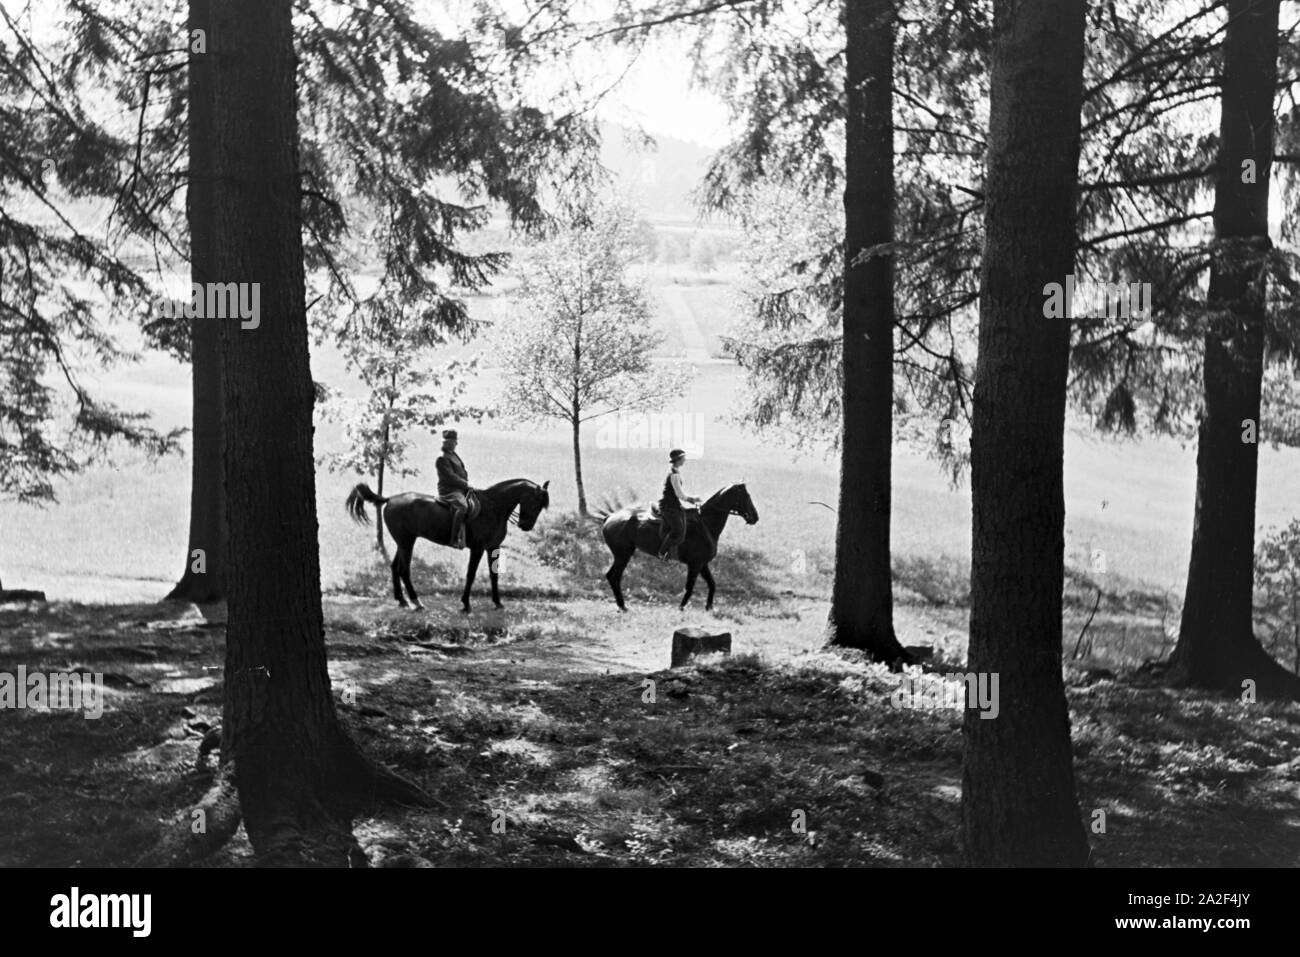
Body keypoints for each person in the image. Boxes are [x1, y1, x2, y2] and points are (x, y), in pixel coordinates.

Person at [657, 448, 700, 560]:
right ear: (678, 460)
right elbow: (679, 494)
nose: (684, 460)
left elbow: (679, 493)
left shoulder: (675, 472)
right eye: (683, 458)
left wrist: (691, 498)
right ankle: (661, 553)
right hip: (668, 506)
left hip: (673, 504)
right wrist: (691, 499)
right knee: (678, 530)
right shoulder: (674, 475)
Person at [435, 429, 470, 549]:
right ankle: (454, 539)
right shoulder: (442, 458)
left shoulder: (453, 454)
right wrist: (466, 485)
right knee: (462, 506)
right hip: (449, 490)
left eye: (452, 442)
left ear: (456, 443)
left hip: (459, 488)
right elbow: (450, 477)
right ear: (443, 442)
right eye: (447, 442)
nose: (450, 445)